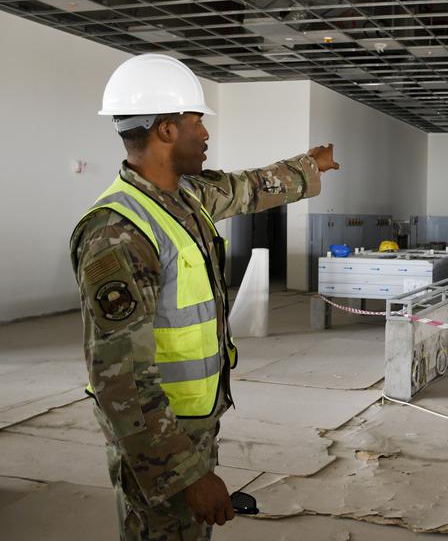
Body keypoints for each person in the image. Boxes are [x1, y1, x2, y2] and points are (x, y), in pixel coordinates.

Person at [69, 53, 339, 540]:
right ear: (167, 130)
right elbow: (119, 377)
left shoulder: (187, 197)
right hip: (157, 443)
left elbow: (249, 188)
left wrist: (309, 166)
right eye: (197, 121)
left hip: (193, 420)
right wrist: (187, 473)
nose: (206, 133)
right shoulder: (118, 232)